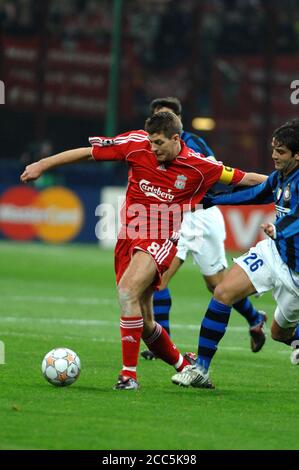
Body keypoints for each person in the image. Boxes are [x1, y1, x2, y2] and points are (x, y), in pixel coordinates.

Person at [20, 111, 267, 391]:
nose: (153, 148)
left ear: (176, 139)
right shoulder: (137, 144)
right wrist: (42, 164)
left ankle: (128, 376)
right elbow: (90, 153)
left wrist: (286, 182)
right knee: (146, 324)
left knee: (127, 291)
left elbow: (244, 178)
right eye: (151, 142)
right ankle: (186, 367)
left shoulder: (200, 166)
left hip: (161, 238)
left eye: (159, 143)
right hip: (129, 237)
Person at [171, 118, 299, 389]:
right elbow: (253, 195)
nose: (274, 155)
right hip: (274, 254)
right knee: (223, 292)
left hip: (296, 275)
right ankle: (201, 370)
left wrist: (280, 230)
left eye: (281, 151)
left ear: (297, 155)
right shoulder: (280, 177)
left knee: (279, 333)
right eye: (273, 148)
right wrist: (209, 201)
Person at [141, 97, 267, 363]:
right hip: (179, 219)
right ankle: (163, 344)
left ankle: (255, 318)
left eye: (165, 116)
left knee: (217, 286)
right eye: (156, 117)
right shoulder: (152, 147)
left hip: (202, 218)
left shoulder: (193, 145)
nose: (159, 123)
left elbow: (215, 174)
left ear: (178, 122)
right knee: (159, 280)